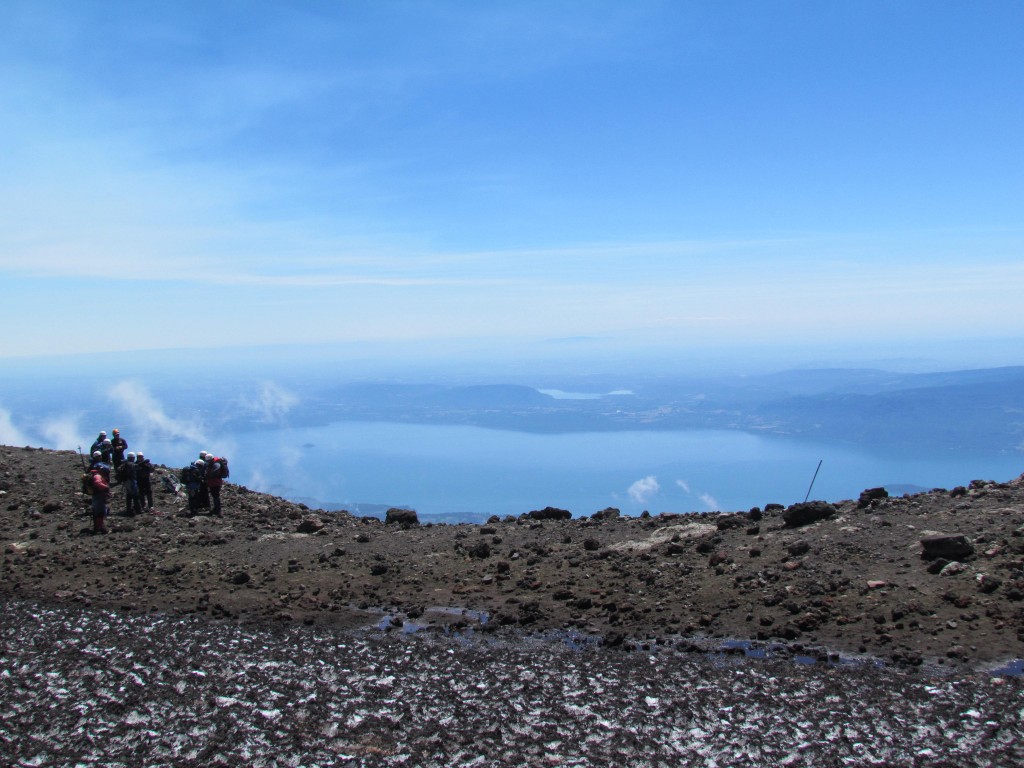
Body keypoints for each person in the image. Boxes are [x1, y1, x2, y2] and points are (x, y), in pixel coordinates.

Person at [83, 464, 110, 534]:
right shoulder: (97, 476)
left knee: (96, 511)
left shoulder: (93, 475)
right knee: (100, 512)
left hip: (95, 495)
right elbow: (98, 483)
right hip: (99, 495)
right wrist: (106, 487)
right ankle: (101, 527)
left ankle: (96, 527)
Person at [118, 452, 142, 517]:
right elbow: (137, 468)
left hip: (126, 482)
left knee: (128, 496)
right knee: (135, 496)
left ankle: (128, 509)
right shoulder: (131, 464)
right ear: (133, 458)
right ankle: (138, 510)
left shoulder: (125, 464)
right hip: (131, 481)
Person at [204, 452, 225, 517]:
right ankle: (216, 509)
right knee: (215, 496)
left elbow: (212, 474)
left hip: (214, 483)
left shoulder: (215, 465)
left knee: (215, 496)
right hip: (216, 482)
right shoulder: (216, 464)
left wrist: (206, 476)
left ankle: (218, 510)